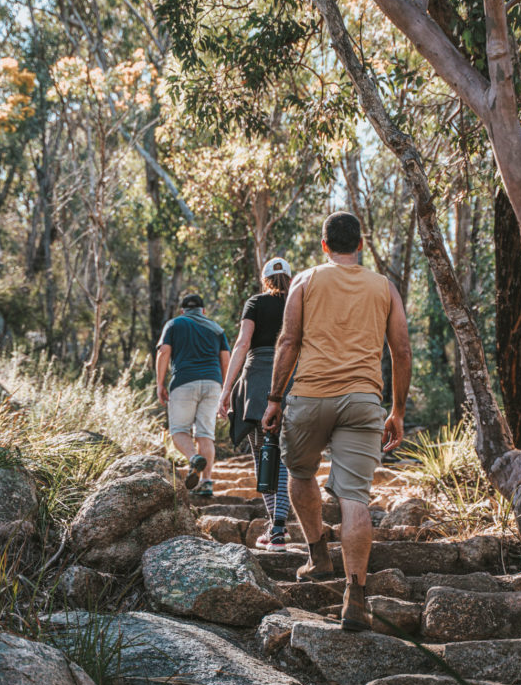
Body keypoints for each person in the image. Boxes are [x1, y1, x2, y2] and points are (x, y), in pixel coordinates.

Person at [262, 211, 412, 632]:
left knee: (299, 471)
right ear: (359, 245)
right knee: (355, 499)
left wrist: (274, 399)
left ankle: (317, 554)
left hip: (309, 395)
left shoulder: (306, 280)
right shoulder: (384, 287)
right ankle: (356, 598)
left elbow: (289, 340)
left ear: (324, 245)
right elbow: (401, 350)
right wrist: (397, 411)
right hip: (364, 400)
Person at [218, 257, 292, 551]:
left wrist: (227, 389)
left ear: (265, 280)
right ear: (289, 277)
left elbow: (242, 343)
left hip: (257, 381)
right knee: (283, 455)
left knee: (263, 453)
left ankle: (275, 530)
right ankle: (278, 528)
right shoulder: (299, 302)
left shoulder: (255, 302)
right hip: (291, 379)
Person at [156, 292, 230, 495]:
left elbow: (163, 352)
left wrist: (159, 383)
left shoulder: (174, 324)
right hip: (213, 383)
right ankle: (206, 482)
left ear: (183, 311)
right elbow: (226, 359)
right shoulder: (216, 329)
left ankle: (193, 458)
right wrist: (226, 388)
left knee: (179, 430)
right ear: (203, 311)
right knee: (205, 434)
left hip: (184, 382)